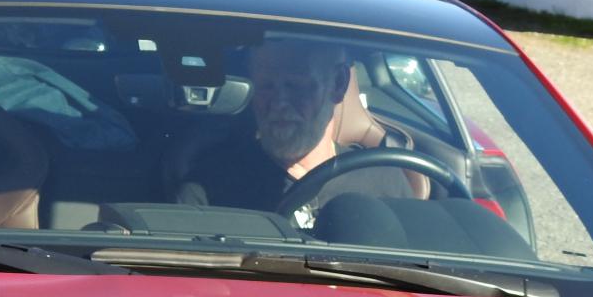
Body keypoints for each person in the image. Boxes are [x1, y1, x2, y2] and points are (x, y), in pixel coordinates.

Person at [176, 38, 418, 218]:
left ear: (338, 83)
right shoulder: (210, 187)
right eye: (266, 86)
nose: (279, 103)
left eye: (295, 86)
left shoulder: (384, 181)